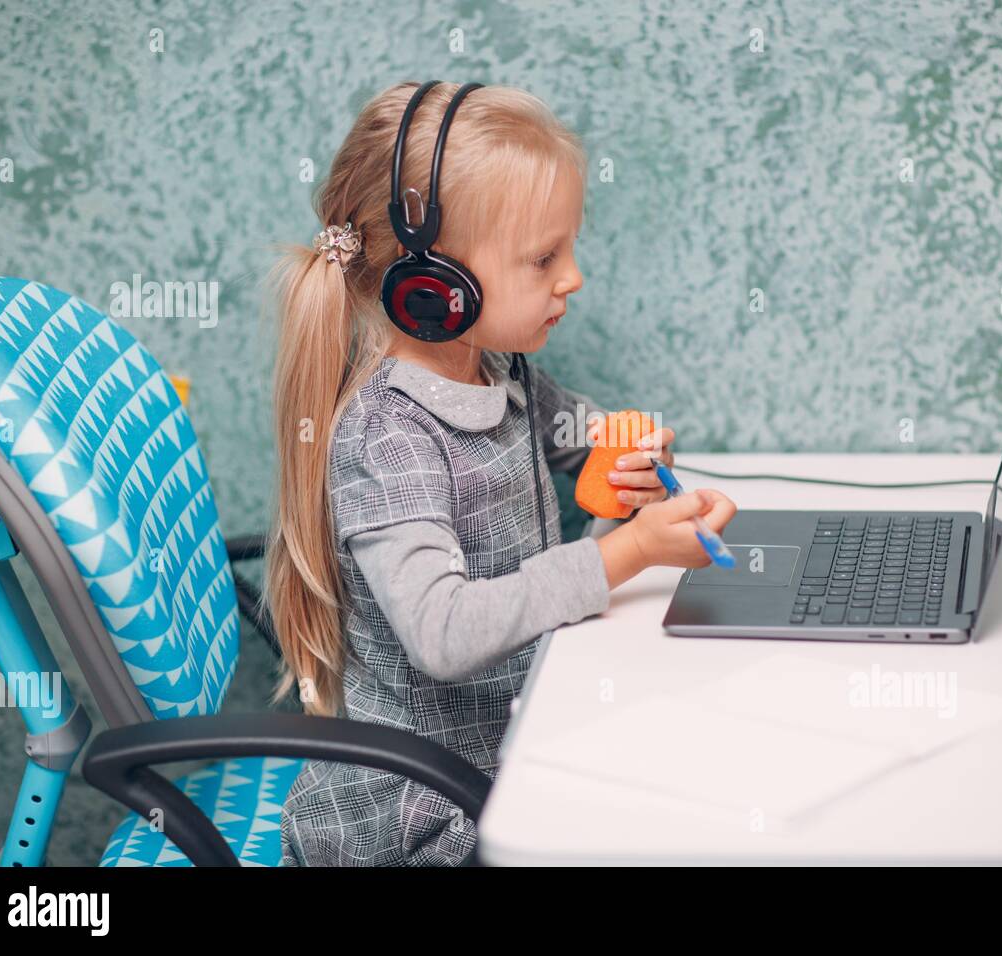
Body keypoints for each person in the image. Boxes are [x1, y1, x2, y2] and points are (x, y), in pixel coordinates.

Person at [265, 81, 736, 865]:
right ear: (436, 287)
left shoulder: (497, 371)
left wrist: (633, 454)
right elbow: (444, 633)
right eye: (545, 257)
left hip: (519, 738)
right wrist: (629, 553)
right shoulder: (389, 438)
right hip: (424, 812)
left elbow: (577, 435)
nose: (573, 277)